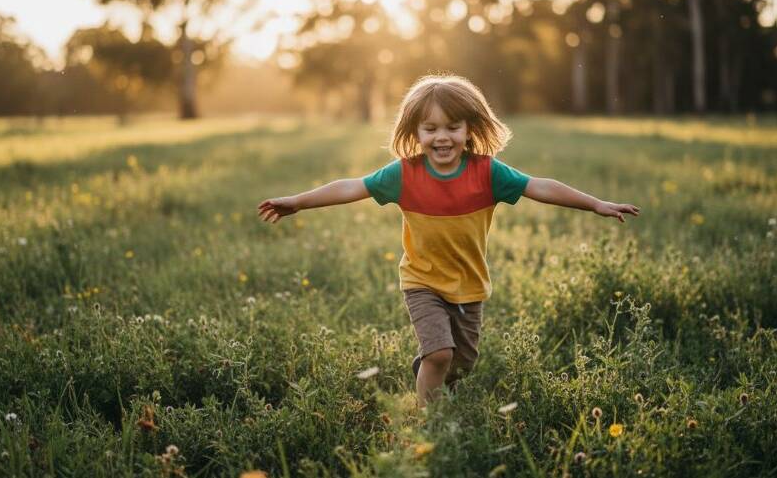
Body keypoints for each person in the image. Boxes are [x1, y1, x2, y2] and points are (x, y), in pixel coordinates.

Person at [256, 74, 640, 408]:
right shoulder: (403, 175)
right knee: (440, 354)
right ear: (415, 133)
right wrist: (298, 202)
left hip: (469, 286)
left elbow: (539, 186)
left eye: (453, 127)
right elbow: (350, 187)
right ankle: (429, 420)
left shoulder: (488, 173)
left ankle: (430, 371)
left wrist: (595, 204)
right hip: (422, 282)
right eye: (430, 128)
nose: (442, 137)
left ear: (469, 129)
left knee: (461, 364)